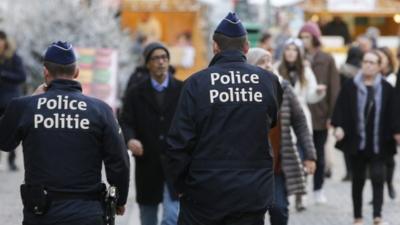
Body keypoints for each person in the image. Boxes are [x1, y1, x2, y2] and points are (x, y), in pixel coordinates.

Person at [163, 12, 283, 225]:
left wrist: (180, 186)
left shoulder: (196, 84)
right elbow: (271, 122)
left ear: (215, 47)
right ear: (246, 48)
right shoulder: (268, 81)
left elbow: (178, 143)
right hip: (252, 193)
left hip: (205, 193)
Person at [0, 41, 130, 225]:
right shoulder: (101, 110)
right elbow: (119, 161)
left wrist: (31, 101)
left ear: (45, 72)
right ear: (76, 72)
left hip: (41, 214)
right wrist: (121, 199)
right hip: (87, 213)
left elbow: (4, 142)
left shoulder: (25, 107)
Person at [247, 47, 317, 225]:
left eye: (270, 61)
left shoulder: (283, 87)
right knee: (253, 212)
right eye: (262, 62)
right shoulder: (243, 92)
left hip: (277, 164)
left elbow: (300, 122)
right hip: (251, 165)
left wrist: (309, 155)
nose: (268, 65)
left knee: (279, 209)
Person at [120, 42, 182, 225]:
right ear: (147, 63)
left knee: (171, 217)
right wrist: (130, 139)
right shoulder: (135, 92)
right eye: (155, 58)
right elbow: (126, 121)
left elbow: (191, 122)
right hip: (147, 162)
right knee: (148, 218)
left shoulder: (182, 89)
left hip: (174, 163)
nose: (161, 62)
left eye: (164, 57)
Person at [331, 50, 396, 225]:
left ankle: (377, 216)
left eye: (372, 62)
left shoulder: (386, 88)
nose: (367, 65)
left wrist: (396, 132)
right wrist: (339, 127)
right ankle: (357, 217)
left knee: (378, 177)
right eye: (365, 61)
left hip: (379, 142)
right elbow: (340, 110)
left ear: (379, 67)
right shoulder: (351, 86)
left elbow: (394, 113)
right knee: (357, 181)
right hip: (356, 142)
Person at [276, 37, 326, 209]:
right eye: (288, 49)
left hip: (300, 116)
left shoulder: (305, 71)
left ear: (299, 53)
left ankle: (301, 194)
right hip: (282, 117)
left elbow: (311, 96)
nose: (290, 52)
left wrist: (318, 92)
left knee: (304, 155)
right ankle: (289, 192)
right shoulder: (277, 69)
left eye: (294, 50)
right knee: (288, 156)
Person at [299, 22, 340, 203]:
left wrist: (333, 115)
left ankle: (318, 188)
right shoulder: (297, 56)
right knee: (302, 153)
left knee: (319, 154)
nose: (304, 41)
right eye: (302, 37)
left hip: (321, 114)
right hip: (301, 114)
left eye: (307, 37)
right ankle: (302, 190)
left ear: (314, 38)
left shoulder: (327, 58)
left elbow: (334, 88)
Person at [0, 30, 26, 171]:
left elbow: (22, 77)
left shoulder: (14, 58)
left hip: (10, 101)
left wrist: (3, 74)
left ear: (5, 41)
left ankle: (11, 161)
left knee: (11, 132)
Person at [376, 47, 397, 200]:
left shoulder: (393, 78)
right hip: (375, 122)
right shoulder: (371, 78)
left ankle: (389, 183)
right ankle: (378, 190)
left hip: (390, 121)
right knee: (377, 160)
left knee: (389, 158)